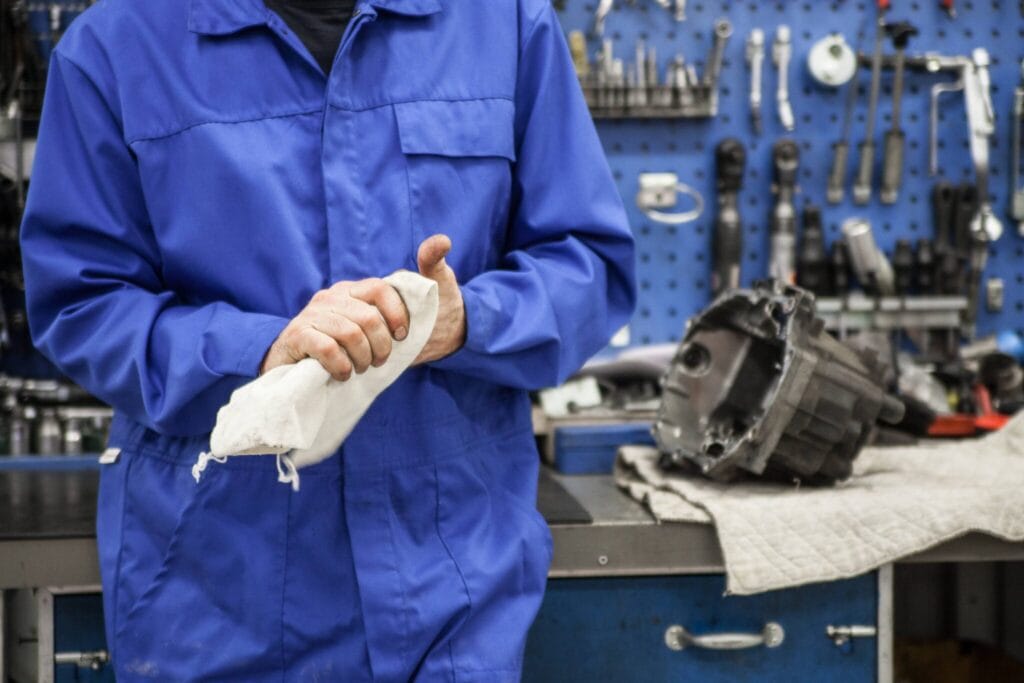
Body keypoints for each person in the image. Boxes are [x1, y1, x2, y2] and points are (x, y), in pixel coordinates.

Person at [20, 0, 636, 679]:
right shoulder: (115, 46)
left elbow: (589, 264)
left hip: (456, 598)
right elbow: (81, 301)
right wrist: (258, 351)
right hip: (218, 602)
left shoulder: (505, 24)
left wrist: (470, 321)